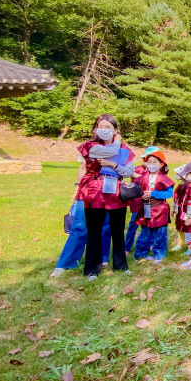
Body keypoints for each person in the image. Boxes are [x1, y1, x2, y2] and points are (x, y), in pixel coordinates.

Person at [76, 114, 135, 280]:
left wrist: (113, 165)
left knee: (117, 231)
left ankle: (120, 266)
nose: (104, 130)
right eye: (100, 126)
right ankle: (92, 269)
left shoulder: (125, 151)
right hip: (95, 192)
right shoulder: (90, 146)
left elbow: (129, 171)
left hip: (116, 192)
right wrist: (116, 142)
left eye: (108, 127)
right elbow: (110, 151)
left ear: (115, 130)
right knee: (94, 231)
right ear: (95, 129)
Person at [50, 200, 111, 277]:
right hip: (86, 190)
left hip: (106, 190)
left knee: (105, 223)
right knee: (79, 224)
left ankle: (102, 258)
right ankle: (66, 262)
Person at [133, 149, 174, 263]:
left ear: (161, 164)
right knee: (144, 232)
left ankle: (159, 255)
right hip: (145, 208)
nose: (151, 164)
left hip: (159, 209)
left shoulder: (164, 178)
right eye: (149, 162)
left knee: (160, 233)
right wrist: (141, 195)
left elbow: (169, 193)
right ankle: (140, 254)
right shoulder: (141, 178)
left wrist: (153, 194)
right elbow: (136, 191)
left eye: (154, 162)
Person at [125, 148, 155, 253]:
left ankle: (149, 244)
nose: (147, 162)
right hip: (137, 202)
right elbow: (134, 185)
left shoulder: (156, 172)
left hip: (150, 202)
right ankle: (127, 247)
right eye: (145, 159)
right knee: (133, 223)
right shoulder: (137, 170)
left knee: (148, 223)